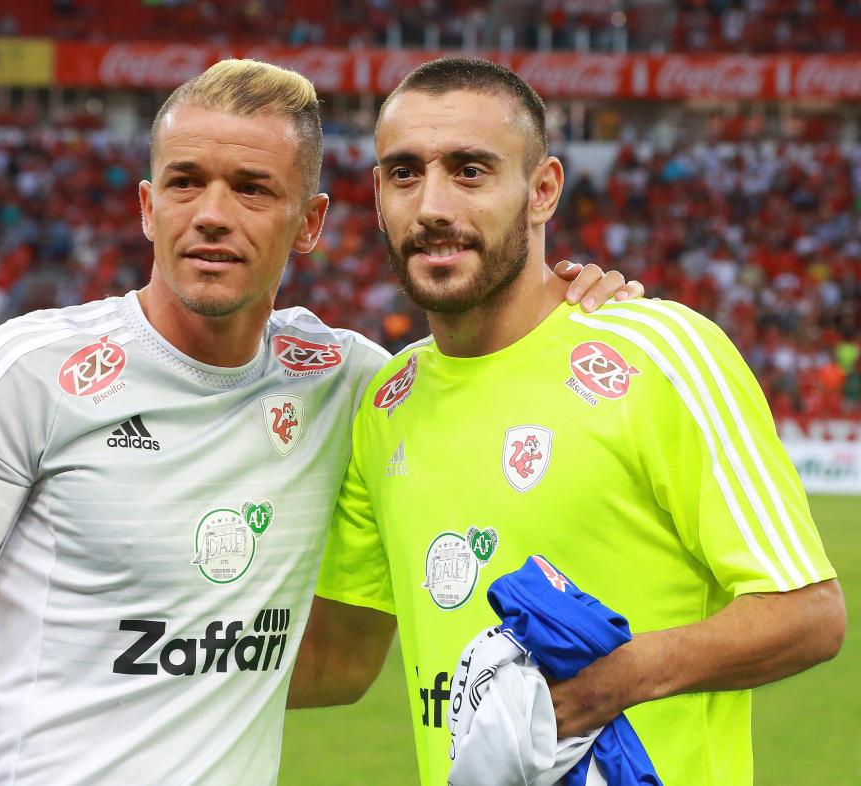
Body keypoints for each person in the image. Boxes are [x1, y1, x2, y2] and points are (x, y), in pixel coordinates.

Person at [0, 59, 637, 785]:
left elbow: (340, 670)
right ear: (148, 206)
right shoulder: (30, 372)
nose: (212, 214)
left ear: (310, 221)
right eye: (186, 182)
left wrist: (569, 301)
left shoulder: (351, 384)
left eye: (253, 189)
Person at [304, 58, 846, 786]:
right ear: (376, 195)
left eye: (470, 171)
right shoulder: (384, 403)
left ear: (542, 190)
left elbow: (809, 614)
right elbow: (338, 659)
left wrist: (598, 690)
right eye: (405, 173)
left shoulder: (660, 354)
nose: (432, 204)